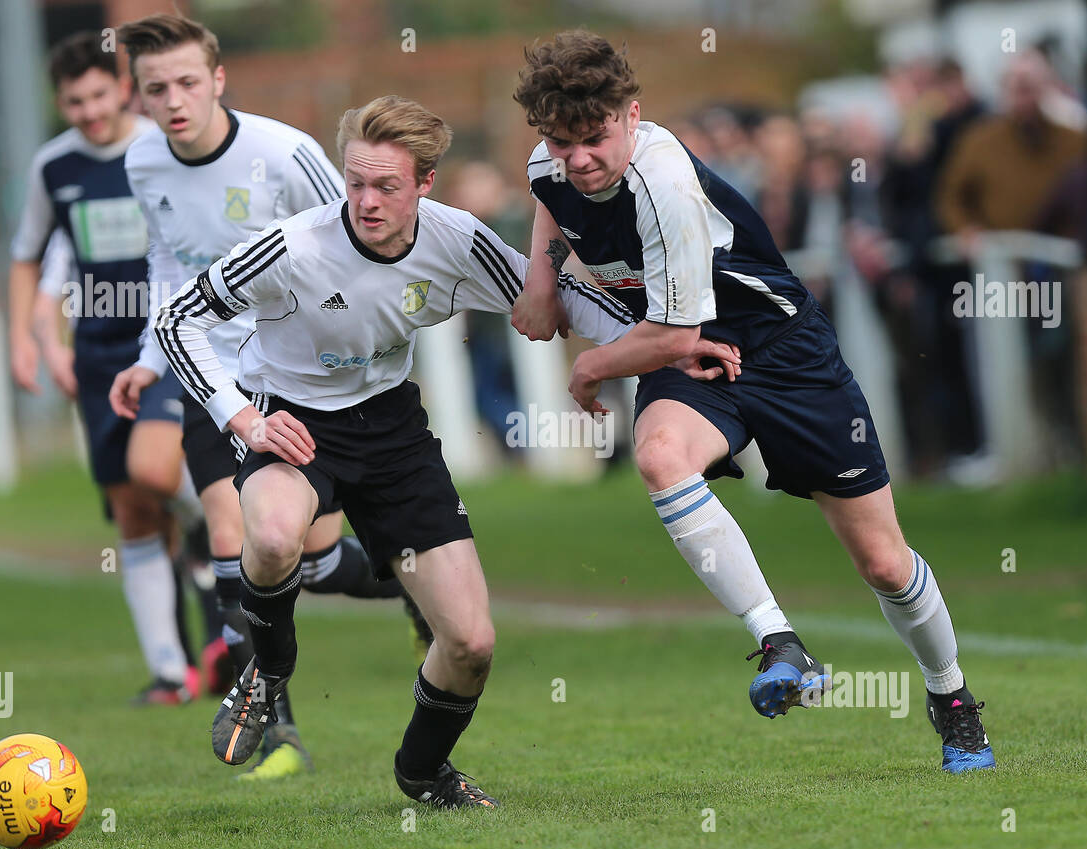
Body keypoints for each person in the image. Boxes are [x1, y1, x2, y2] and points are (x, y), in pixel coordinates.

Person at [152, 95, 739, 806]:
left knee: (469, 643)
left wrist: (670, 344)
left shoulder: (456, 239)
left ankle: (423, 772)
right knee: (274, 537)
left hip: (394, 433)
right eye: (355, 182)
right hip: (294, 420)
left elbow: (558, 300)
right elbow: (178, 316)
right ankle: (270, 670)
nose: (365, 202)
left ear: (425, 184)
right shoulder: (293, 245)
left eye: (386, 186)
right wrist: (242, 417)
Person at [512, 30, 994, 773]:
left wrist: (591, 369)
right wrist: (543, 277)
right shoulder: (552, 164)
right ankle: (781, 643)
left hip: (782, 349)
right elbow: (551, 198)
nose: (578, 159)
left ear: (632, 116)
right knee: (662, 456)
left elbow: (669, 335)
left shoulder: (661, 179)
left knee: (882, 563)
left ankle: (952, 699)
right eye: (560, 140)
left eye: (594, 138)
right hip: (697, 349)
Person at [105, 13, 432, 781]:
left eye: (188, 82)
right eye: (157, 88)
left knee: (311, 564)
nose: (174, 100)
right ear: (140, 95)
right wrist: (153, 356)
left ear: (218, 79)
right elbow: (166, 258)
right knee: (230, 533)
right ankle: (273, 725)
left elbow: (352, 240)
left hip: (295, 378)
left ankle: (415, 582)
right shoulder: (143, 160)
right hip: (210, 380)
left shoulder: (284, 152)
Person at [8, 31, 196, 705]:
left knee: (155, 469)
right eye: (73, 101)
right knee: (131, 510)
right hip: (97, 352)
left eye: (97, 95)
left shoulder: (161, 147)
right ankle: (172, 672)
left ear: (120, 88)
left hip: (169, 341)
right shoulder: (54, 168)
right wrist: (31, 342)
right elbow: (29, 254)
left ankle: (212, 527)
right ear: (59, 103)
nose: (88, 111)